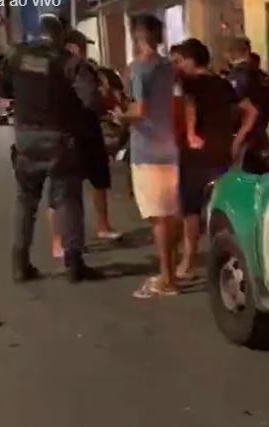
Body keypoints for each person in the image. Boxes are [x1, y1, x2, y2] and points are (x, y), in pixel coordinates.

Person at [0, 13, 103, 283]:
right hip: (60, 140)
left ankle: (19, 264)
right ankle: (74, 265)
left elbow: (3, 89)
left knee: (25, 201)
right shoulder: (68, 63)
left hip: (25, 139)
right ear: (60, 37)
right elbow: (92, 100)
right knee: (68, 201)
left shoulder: (16, 57)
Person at [111, 14, 180, 298]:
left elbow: (140, 111)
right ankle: (172, 272)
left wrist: (120, 116)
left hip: (148, 151)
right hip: (170, 148)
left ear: (136, 36)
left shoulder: (141, 69)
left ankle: (166, 279)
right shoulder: (168, 67)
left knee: (158, 218)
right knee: (170, 214)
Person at [47, 29, 121, 259]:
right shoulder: (72, 67)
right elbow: (93, 100)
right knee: (62, 190)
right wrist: (103, 96)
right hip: (73, 134)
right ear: (72, 46)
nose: (85, 49)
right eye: (82, 45)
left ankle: (100, 227)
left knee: (96, 181)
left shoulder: (56, 68)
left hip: (81, 132)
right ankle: (61, 241)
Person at [173, 38, 240, 281]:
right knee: (219, 207)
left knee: (191, 209)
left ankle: (189, 262)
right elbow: (245, 112)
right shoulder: (224, 84)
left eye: (180, 61)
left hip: (197, 155)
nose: (178, 66)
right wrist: (236, 140)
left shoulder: (191, 84)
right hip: (221, 152)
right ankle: (223, 260)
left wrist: (191, 134)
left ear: (191, 60)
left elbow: (190, 107)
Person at [224, 36, 269, 170]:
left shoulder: (237, 77)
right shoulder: (262, 76)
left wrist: (237, 141)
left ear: (230, 53)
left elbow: (248, 111)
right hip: (261, 135)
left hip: (244, 139)